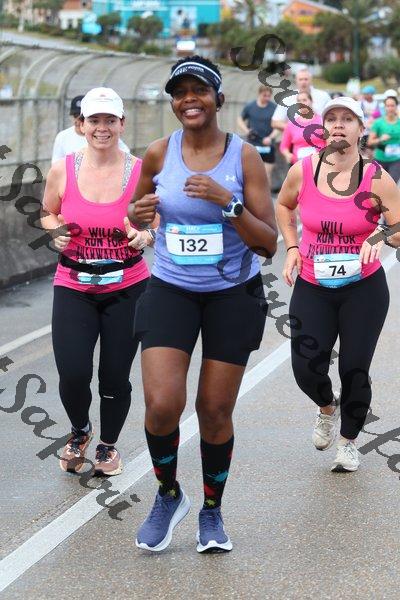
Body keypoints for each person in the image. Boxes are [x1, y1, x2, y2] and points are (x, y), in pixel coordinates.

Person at [127, 56, 277, 553]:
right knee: (162, 405)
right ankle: (169, 495)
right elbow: (136, 211)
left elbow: (268, 243)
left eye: (199, 90)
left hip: (232, 294)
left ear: (218, 99)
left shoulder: (243, 157)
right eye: (180, 92)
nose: (189, 99)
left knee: (213, 410)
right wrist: (138, 213)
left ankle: (212, 511)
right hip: (171, 288)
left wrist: (226, 203)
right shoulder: (157, 153)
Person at [276, 96, 400, 473]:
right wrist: (292, 247)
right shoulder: (303, 170)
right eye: (332, 118)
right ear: (323, 127)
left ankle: (348, 442)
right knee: (305, 366)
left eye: (348, 119)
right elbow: (284, 205)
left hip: (363, 289)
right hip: (313, 285)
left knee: (354, 367)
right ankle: (327, 407)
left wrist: (378, 235)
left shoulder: (376, 177)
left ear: (362, 129)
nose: (339, 125)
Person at [41, 87, 152, 476]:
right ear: (80, 125)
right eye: (94, 120)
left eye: (109, 120)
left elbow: (158, 219)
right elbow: (48, 211)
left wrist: (146, 234)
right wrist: (55, 231)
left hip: (127, 286)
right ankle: (80, 431)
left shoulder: (141, 171)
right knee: (73, 372)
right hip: (73, 284)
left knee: (114, 376)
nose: (102, 128)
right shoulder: (63, 169)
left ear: (122, 124)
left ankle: (107, 446)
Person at [51, 94, 130, 163]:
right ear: (83, 123)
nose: (102, 129)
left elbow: (126, 155)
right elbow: (56, 163)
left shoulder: (106, 138)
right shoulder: (63, 136)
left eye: (110, 121)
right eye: (75, 115)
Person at [237, 85, 278, 182]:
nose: (267, 98)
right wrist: (247, 131)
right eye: (264, 95)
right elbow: (239, 119)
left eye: (269, 96)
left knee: (267, 175)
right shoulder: (250, 106)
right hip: (253, 144)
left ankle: (267, 192)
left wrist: (270, 137)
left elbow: (278, 126)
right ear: (259, 94)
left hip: (268, 145)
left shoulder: (274, 108)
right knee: (252, 174)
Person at [279, 92, 326, 164]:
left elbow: (330, 142)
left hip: (320, 163)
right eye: (299, 101)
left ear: (311, 101)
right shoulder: (291, 124)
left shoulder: (322, 121)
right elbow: (284, 146)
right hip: (299, 164)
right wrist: (288, 155)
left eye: (304, 100)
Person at [368, 95, 400, 184]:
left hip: (396, 160)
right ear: (385, 107)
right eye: (388, 106)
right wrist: (380, 139)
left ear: (396, 106)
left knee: (392, 184)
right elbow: (370, 142)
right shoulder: (378, 123)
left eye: (392, 105)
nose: (390, 108)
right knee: (378, 185)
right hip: (380, 159)